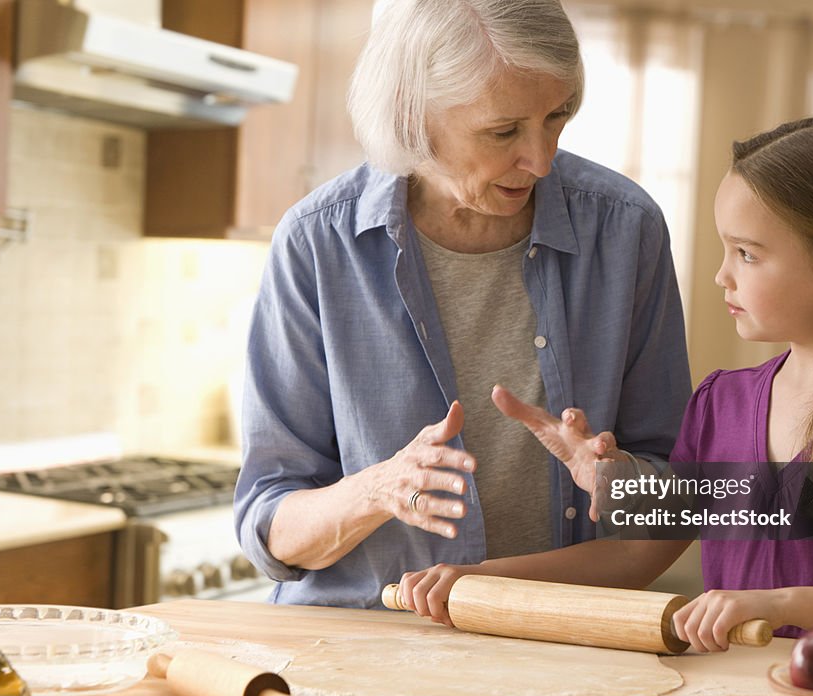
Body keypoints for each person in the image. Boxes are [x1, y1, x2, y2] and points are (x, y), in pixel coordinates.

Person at [401, 115, 813, 650]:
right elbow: (633, 558)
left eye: (747, 255)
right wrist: (478, 579)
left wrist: (780, 605)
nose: (721, 274)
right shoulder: (718, 405)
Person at [233, 0, 691, 609]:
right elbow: (270, 529)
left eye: (558, 116)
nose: (542, 158)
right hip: (355, 647)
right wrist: (378, 489)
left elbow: (680, 502)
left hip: (553, 647)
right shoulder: (318, 241)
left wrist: (618, 482)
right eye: (504, 131)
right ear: (413, 117)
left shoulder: (625, 228)